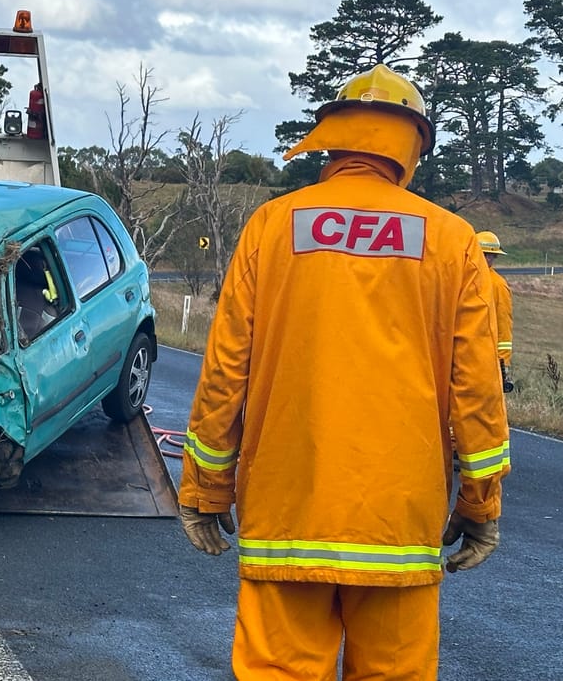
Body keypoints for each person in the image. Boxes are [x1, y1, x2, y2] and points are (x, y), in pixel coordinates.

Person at [177, 64, 510, 679]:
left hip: (287, 516)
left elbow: (226, 372)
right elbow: (478, 390)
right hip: (398, 527)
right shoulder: (453, 239)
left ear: (334, 137)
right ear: (413, 145)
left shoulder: (273, 227)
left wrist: (205, 488)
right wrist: (479, 502)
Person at [477, 230, 514, 392]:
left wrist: (503, 362)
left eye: (490, 255)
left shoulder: (498, 285)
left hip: (486, 357)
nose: (487, 259)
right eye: (483, 254)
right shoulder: (461, 277)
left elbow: (503, 324)